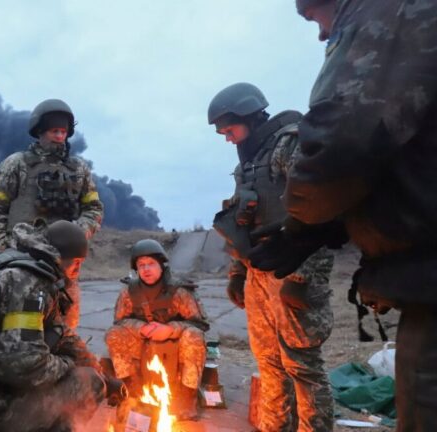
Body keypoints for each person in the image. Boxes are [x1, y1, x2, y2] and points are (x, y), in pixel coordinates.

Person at [250, 1, 437, 430]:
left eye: (316, 18)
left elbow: (344, 139)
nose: (320, 35)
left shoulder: (388, 12)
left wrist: (304, 224)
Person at [209, 83, 335, 431]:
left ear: (248, 116)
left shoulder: (288, 144)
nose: (227, 139)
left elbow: (318, 213)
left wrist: (303, 278)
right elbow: (241, 223)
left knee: (303, 367)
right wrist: (238, 272)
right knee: (269, 364)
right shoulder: (248, 165)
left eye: (229, 130)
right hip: (258, 275)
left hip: (293, 270)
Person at [0, 221, 123, 431]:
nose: (77, 271)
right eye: (77, 264)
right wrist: (70, 365)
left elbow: (60, 333)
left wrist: (102, 371)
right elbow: (21, 367)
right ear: (72, 261)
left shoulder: (18, 262)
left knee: (90, 374)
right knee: (88, 383)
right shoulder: (29, 283)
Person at [0, 98, 104, 330]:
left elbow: (94, 208)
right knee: (18, 326)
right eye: (54, 131)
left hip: (64, 266)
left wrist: (77, 233)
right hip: (22, 260)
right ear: (40, 131)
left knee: (65, 329)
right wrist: (1, 248)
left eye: (63, 132)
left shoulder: (79, 170)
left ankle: (62, 365)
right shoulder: (16, 164)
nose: (59, 137)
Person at [105, 239, 209, 420]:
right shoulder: (129, 292)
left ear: (162, 265)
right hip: (142, 339)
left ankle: (187, 398)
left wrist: (171, 329)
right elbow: (120, 322)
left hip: (175, 342)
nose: (146, 269)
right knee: (114, 335)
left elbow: (200, 324)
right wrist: (140, 327)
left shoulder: (179, 291)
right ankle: (133, 392)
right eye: (141, 265)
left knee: (194, 336)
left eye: (151, 264)